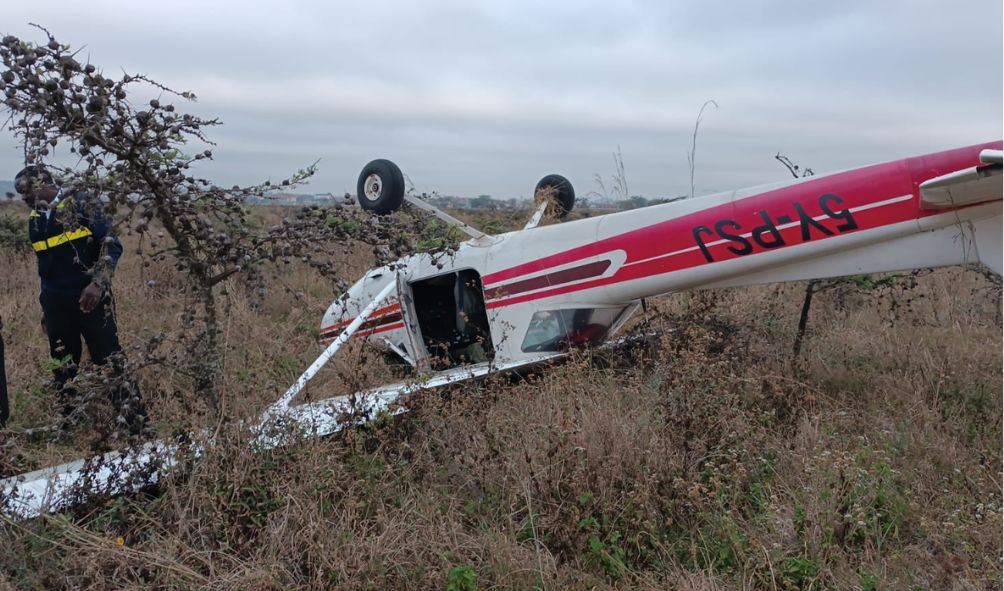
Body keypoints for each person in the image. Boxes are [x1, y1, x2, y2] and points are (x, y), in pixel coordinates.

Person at [15, 165, 147, 435]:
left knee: (109, 359)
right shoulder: (35, 218)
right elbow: (46, 266)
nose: (23, 198)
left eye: (26, 191)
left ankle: (136, 425)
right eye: (20, 193)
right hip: (56, 304)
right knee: (62, 362)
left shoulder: (84, 204)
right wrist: (46, 308)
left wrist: (98, 284)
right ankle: (69, 422)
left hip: (92, 301)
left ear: (44, 183)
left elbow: (111, 245)